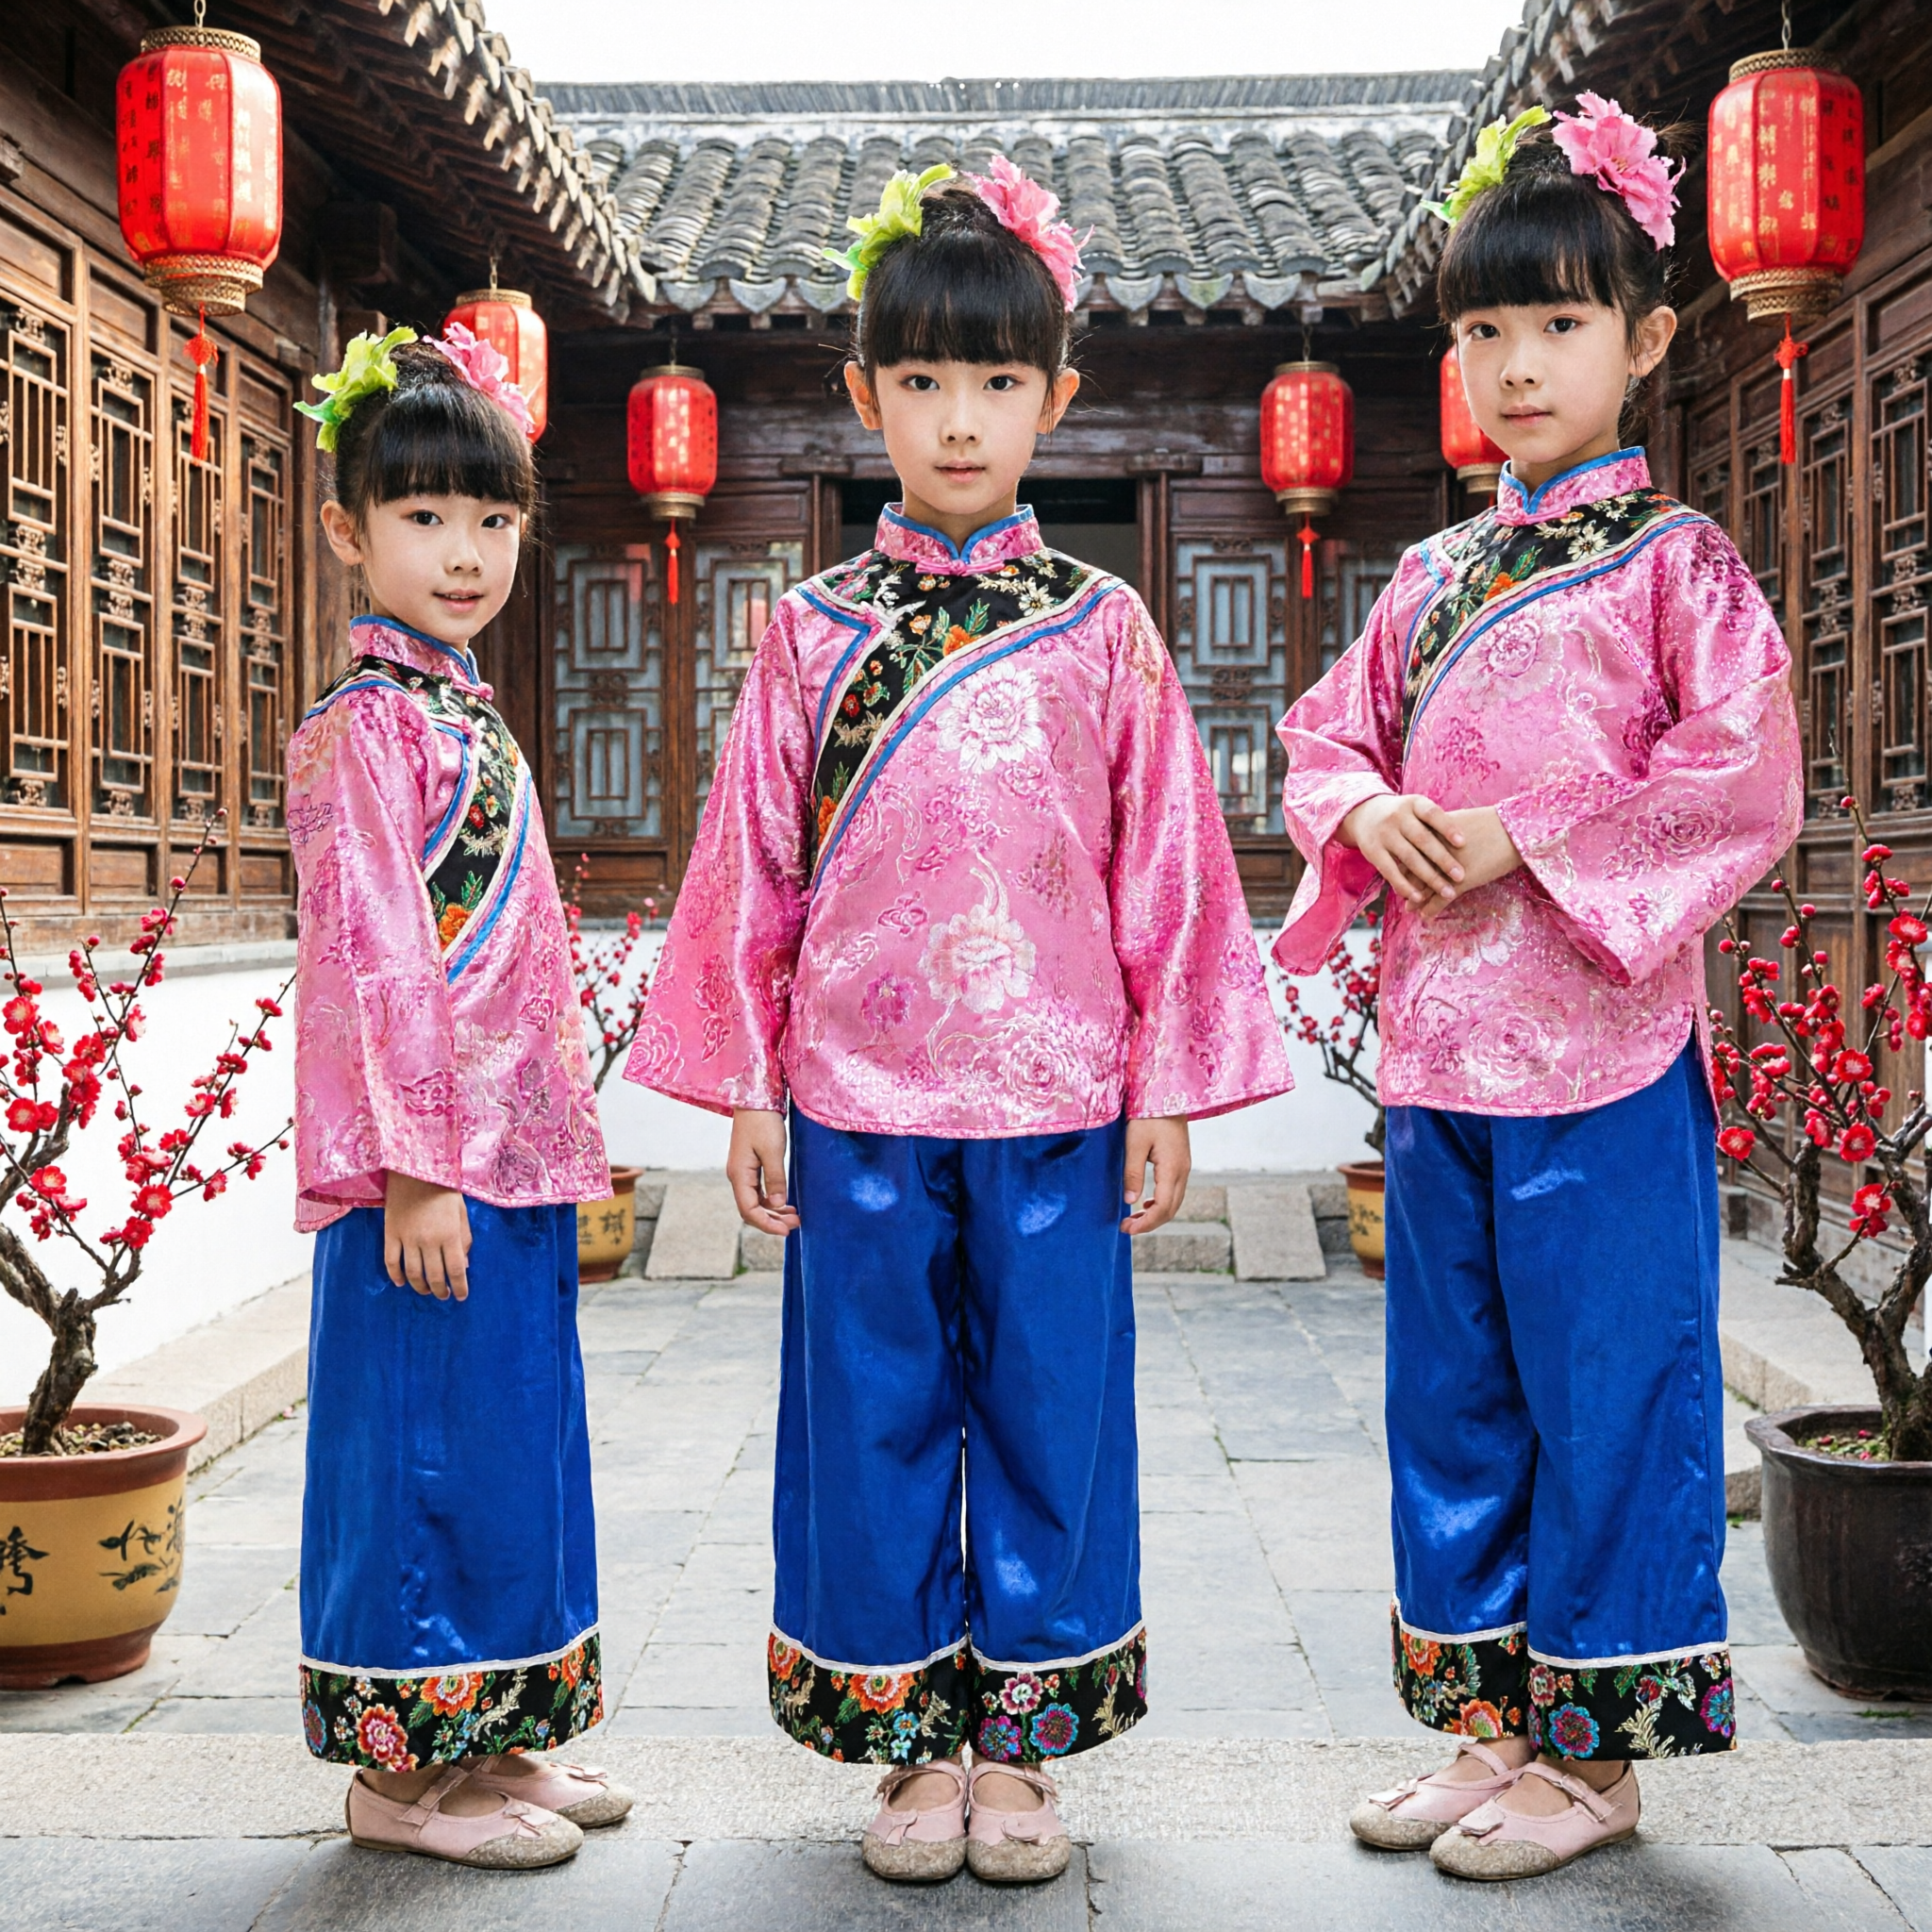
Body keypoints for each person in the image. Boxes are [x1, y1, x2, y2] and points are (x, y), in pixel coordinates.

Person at [627, 158, 1291, 1885]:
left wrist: (1168, 1089)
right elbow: (749, 869)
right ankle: (906, 1747)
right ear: (865, 396)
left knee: (1049, 1404)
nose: (959, 417)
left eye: (998, 380)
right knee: (872, 1415)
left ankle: (1028, 1745)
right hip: (853, 1097)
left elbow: (1170, 870)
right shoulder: (807, 634)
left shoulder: (1108, 628)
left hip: (1062, 1095)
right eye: (920, 380)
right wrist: (749, 1086)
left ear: (1056, 398)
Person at [1273, 99, 1803, 1881]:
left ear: (1649, 342)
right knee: (1456, 1400)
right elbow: (1320, 740)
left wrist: (1520, 834)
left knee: (1613, 1395)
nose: (1516, 364)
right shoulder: (1426, 578)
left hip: (1602, 1053)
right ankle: (1485, 1722)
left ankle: (1597, 1761)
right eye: (1486, 331)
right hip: (1439, 1063)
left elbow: (1741, 783)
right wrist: (1368, 804)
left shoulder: (1685, 573)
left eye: (1560, 325)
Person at [287, 325, 633, 1868]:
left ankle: (494, 1745)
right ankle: (397, 1781)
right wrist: (413, 1168)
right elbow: (376, 966)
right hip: (426, 1180)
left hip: (519, 1164)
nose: (468, 549)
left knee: (509, 1448)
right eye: (424, 515)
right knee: (418, 1453)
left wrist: (556, 1141)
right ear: (347, 527)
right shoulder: (357, 730)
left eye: (493, 518)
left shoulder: (468, 715)